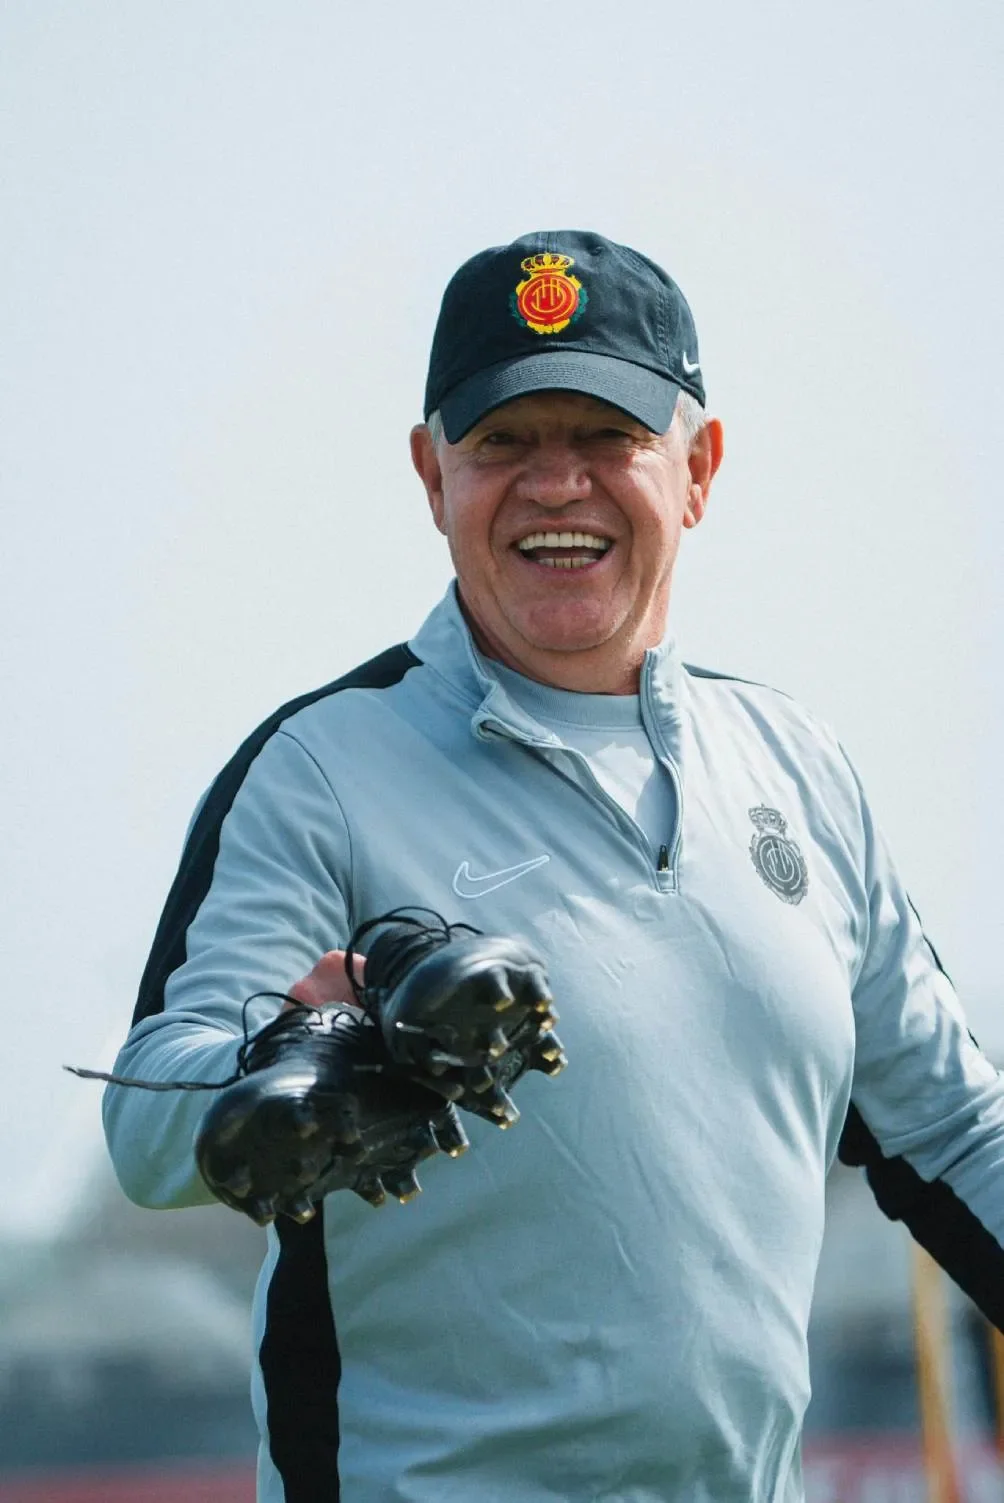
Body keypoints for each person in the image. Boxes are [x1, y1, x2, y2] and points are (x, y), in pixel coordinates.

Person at [100, 230, 1004, 1503]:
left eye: (605, 436)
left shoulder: (799, 767)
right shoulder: (319, 768)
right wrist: (287, 1062)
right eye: (503, 444)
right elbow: (146, 1124)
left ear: (699, 470)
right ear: (431, 475)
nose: (554, 485)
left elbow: (955, 1135)